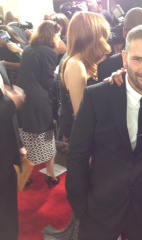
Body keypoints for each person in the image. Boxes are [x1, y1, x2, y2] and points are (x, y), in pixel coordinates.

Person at [66, 25, 142, 240]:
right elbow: (77, 156)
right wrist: (81, 207)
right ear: (124, 58)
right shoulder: (97, 97)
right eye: (138, 59)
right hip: (100, 211)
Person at [16, 20, 61, 188]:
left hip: (23, 98)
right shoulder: (48, 52)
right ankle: (51, 175)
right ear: (52, 34)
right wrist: (58, 77)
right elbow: (47, 81)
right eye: (57, 34)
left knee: (25, 138)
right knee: (46, 137)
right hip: (39, 101)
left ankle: (25, 175)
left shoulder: (28, 49)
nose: (58, 37)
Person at [60, 11, 111, 145]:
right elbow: (81, 116)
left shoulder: (83, 62)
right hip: (87, 140)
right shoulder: (76, 65)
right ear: (93, 36)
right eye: (103, 36)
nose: (106, 41)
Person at [0, 62, 26, 240]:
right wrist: (12, 103)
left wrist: (18, 143)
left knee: (8, 211)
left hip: (5, 154)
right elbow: (8, 103)